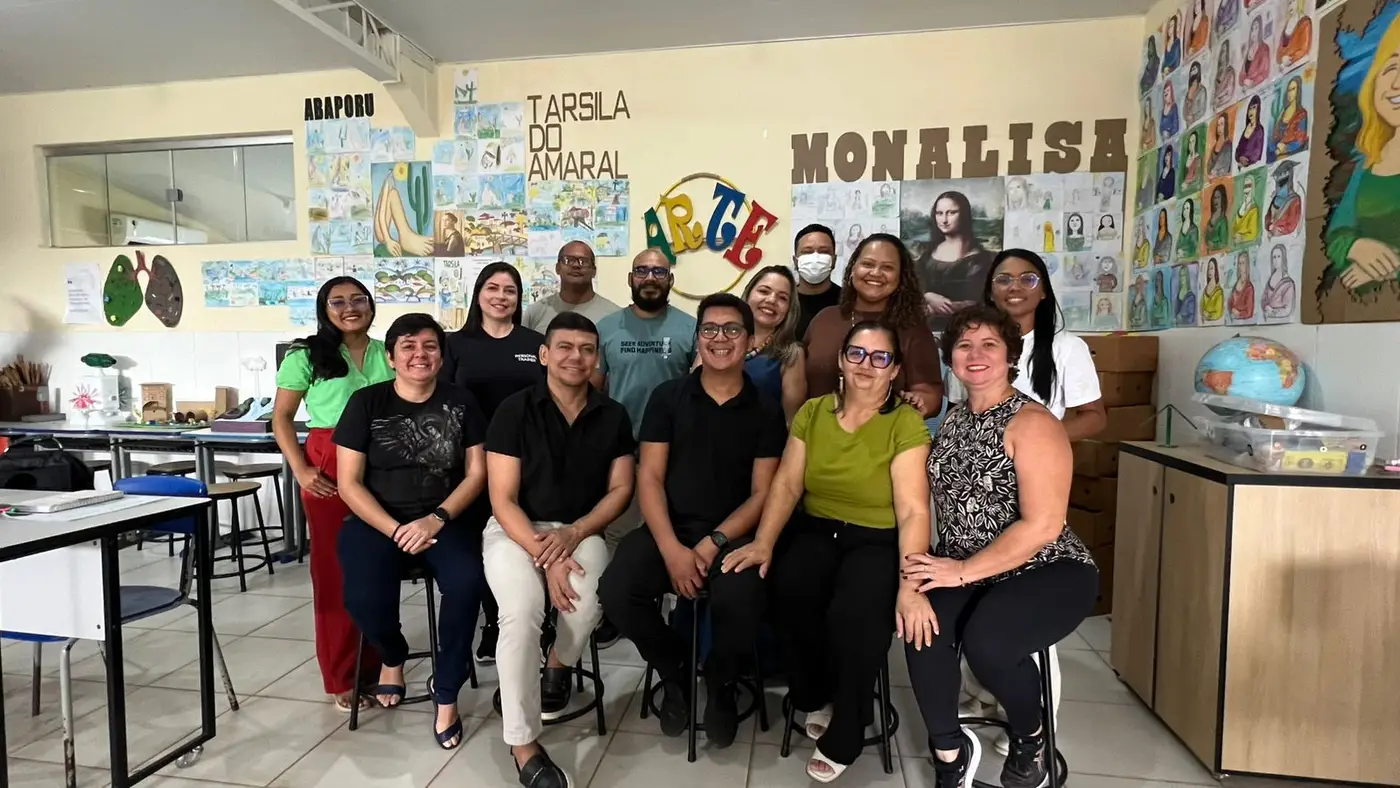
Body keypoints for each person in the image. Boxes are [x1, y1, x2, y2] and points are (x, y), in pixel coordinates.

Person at [722, 321, 936, 783]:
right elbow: (787, 484)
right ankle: (816, 693)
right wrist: (763, 542)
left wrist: (910, 584)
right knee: (788, 590)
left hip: (877, 536)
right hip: (818, 529)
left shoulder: (905, 422)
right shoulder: (814, 412)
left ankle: (850, 724)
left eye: (880, 357)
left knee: (855, 616)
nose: (866, 365)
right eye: (856, 353)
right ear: (841, 359)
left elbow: (913, 510)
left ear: (894, 369)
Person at [904, 305, 1097, 788]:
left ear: (1011, 356)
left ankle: (1031, 737)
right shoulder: (952, 421)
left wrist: (960, 571)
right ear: (950, 357)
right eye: (964, 345)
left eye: (990, 344)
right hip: (965, 565)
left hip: (1047, 567)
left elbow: (1044, 526)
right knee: (920, 627)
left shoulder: (1033, 423)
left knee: (988, 642)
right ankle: (950, 754)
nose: (976, 354)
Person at [600, 294, 786, 747]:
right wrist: (671, 550)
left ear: (749, 341)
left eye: (732, 329)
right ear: (698, 338)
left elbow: (763, 493)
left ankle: (721, 682)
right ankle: (675, 667)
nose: (720, 338)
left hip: (734, 535)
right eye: (710, 329)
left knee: (742, 600)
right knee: (617, 590)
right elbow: (650, 477)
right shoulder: (669, 397)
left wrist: (713, 542)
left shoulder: (765, 408)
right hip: (671, 526)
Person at [484, 312, 636, 788]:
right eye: (565, 347)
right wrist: (545, 554)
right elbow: (502, 498)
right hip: (515, 529)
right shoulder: (514, 410)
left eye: (587, 349)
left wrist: (574, 533)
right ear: (545, 354)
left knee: (587, 601)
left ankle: (559, 664)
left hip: (580, 529)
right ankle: (523, 744)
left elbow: (621, 489)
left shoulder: (612, 414)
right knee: (521, 612)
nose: (576, 357)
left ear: (596, 358)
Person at [333, 313, 488, 750]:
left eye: (430, 346)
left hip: (445, 519)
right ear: (391, 357)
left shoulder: (461, 401)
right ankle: (393, 654)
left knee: (467, 584)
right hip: (378, 521)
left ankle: (447, 692)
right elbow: (349, 483)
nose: (420, 354)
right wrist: (395, 529)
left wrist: (436, 518)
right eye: (408, 346)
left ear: (441, 355)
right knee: (362, 598)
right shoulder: (366, 402)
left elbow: (477, 473)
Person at [273, 277, 395, 713]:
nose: (350, 308)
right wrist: (301, 469)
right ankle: (342, 675)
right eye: (338, 302)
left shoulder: (387, 352)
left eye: (358, 299)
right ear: (324, 310)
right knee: (335, 573)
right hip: (327, 465)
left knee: (379, 569)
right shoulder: (306, 356)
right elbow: (281, 419)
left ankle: (380, 664)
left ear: (371, 305)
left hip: (382, 465)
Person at [440, 262, 546, 665]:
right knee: (483, 545)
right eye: (493, 288)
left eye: (510, 290)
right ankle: (493, 622)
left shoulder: (535, 343)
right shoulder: (455, 344)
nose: (501, 297)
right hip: (474, 463)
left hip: (528, 460)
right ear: (478, 294)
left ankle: (535, 620)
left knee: (524, 539)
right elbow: (445, 403)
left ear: (519, 299)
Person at [805, 233, 944, 418]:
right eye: (868, 264)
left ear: (900, 277)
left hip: (885, 433)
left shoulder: (912, 328)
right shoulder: (824, 320)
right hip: (816, 430)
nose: (876, 273)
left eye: (887, 267)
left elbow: (929, 393)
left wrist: (917, 403)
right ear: (853, 268)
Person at [981, 251, 1107, 439]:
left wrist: (1039, 439)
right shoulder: (970, 347)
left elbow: (1094, 417)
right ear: (990, 293)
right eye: (1003, 280)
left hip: (1034, 454)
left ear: (1043, 291)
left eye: (1028, 279)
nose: (1014, 287)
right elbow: (956, 409)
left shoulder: (1067, 347)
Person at [1327, 12, 1400, 293]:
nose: (1396, 83)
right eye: (1391, 66)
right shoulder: (1368, 163)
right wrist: (1357, 247)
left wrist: (1385, 269)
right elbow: (1336, 235)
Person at [915, 192, 997, 329]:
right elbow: (913, 286)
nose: (944, 220)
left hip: (965, 328)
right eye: (939, 213)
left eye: (951, 213)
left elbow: (977, 303)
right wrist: (928, 296)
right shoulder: (928, 254)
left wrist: (935, 308)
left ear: (964, 215)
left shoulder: (978, 259)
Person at [742, 265, 808, 421]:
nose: (771, 300)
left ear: (789, 309)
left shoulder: (792, 354)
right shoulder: (719, 337)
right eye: (764, 291)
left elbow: (792, 422)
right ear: (748, 294)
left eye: (782, 298)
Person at [522, 241, 620, 332]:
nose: (576, 265)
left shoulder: (614, 315)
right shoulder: (535, 312)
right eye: (568, 260)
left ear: (594, 271)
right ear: (557, 268)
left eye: (583, 261)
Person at [791, 224, 843, 342]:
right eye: (807, 252)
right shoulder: (784, 301)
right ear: (795, 261)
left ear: (834, 260)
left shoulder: (848, 302)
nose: (815, 258)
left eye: (824, 251)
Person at [1270, 75, 1310, 161]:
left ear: (1298, 91)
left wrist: (1286, 148)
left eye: (1293, 89)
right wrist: (1277, 146)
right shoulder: (1282, 113)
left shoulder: (1301, 114)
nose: (1290, 93)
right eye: (1288, 90)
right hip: (1278, 155)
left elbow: (1300, 140)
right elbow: (1273, 139)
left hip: (1294, 155)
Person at [1265, 160, 1303, 237]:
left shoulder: (1294, 200)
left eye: (1284, 180)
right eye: (1278, 180)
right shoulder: (1275, 198)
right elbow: (1268, 216)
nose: (1280, 184)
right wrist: (1269, 225)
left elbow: (1292, 224)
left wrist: (1278, 227)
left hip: (1284, 236)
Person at [1262, 244, 1298, 320]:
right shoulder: (1270, 279)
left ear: (1283, 258)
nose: (1276, 260)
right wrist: (1265, 307)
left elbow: (1287, 310)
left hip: (1282, 321)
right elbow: (1264, 299)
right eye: (1274, 257)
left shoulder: (1288, 283)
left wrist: (1272, 312)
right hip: (1267, 320)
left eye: (1279, 256)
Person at [1277, 0, 1313, 70]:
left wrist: (1291, 59)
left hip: (1300, 66)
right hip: (1284, 69)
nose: (1289, 6)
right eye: (1288, 3)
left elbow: (1304, 49)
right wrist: (1282, 59)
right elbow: (1279, 51)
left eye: (1292, 2)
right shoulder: (1287, 24)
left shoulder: (1305, 22)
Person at [1240, 15, 1273, 90]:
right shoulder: (1249, 50)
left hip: (1258, 88)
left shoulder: (1264, 48)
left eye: (1256, 28)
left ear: (1260, 30)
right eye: (1252, 29)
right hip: (1245, 90)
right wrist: (1244, 81)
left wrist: (1253, 82)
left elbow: (1264, 72)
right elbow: (1241, 75)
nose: (1254, 32)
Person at [1236, 96, 1266, 169]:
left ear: (1258, 110)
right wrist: (1239, 157)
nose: (1251, 111)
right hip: (1240, 166)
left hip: (1253, 166)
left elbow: (1257, 151)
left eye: (1254, 108)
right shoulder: (1246, 128)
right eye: (1250, 108)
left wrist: (1248, 159)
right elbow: (1238, 148)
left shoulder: (1259, 129)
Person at [1229, 252, 1257, 322]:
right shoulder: (1235, 285)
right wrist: (1232, 309)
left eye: (1243, 263)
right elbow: (1230, 303)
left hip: (1244, 323)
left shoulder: (1249, 288)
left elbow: (1249, 312)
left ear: (1247, 265)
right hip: (1233, 321)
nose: (1240, 266)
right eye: (1239, 263)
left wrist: (1239, 313)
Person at [1233, 178, 1261, 246]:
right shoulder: (1241, 207)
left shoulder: (1254, 209)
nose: (1246, 189)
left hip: (1246, 243)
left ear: (1253, 188)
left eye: (1249, 186)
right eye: (1245, 186)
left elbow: (1253, 234)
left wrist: (1242, 237)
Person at [1213, 40, 1238, 112]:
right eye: (1221, 52)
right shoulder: (1217, 74)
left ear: (1227, 55)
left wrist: (1218, 100)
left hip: (1225, 106)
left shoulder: (1230, 72)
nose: (1222, 56)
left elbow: (1228, 94)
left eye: (1224, 52)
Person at [1205, 184, 1231, 253]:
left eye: (1218, 197)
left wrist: (1214, 245)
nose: (1216, 200)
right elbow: (1206, 239)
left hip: (1219, 253)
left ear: (1222, 199)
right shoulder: (1210, 220)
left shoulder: (1223, 220)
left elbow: (1224, 243)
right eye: (1214, 197)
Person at [1208, 112, 1234, 178]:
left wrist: (1214, 173)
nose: (1219, 127)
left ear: (1226, 125)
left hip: (1222, 179)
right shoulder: (1214, 147)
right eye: (1218, 125)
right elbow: (1209, 165)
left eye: (1222, 124)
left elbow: (1225, 168)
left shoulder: (1228, 145)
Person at [1201, 258, 1227, 322]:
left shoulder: (1219, 291)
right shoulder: (1205, 290)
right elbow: (1201, 306)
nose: (1209, 271)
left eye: (1211, 268)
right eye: (1208, 269)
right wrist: (1203, 313)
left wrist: (1209, 315)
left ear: (1216, 270)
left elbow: (1218, 313)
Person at [1185, 61, 1209, 127]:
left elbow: (1202, 109)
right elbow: (1184, 109)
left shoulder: (1202, 90)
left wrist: (1193, 117)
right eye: (1192, 69)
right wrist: (1186, 117)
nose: (1192, 71)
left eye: (1194, 69)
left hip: (1198, 123)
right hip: (1188, 125)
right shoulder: (1188, 92)